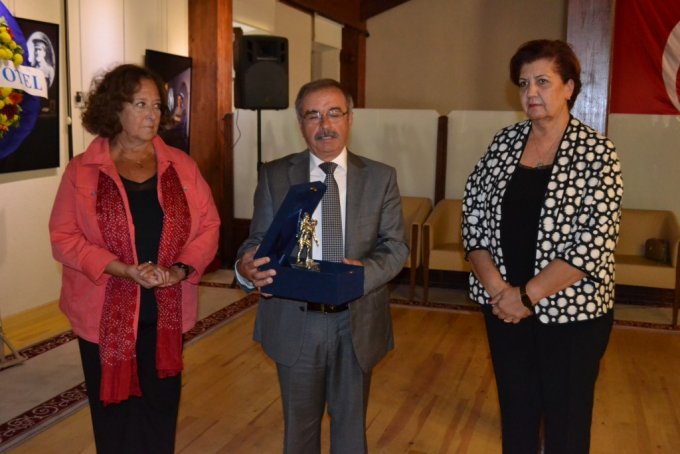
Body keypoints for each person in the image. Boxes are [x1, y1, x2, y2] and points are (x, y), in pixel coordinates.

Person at [462, 39, 623, 454]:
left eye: (542, 82)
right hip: (504, 310)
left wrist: (526, 296)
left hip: (571, 315)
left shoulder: (597, 153)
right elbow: (473, 217)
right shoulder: (503, 143)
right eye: (523, 83)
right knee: (516, 416)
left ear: (569, 87)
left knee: (566, 426)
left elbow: (592, 244)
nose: (531, 92)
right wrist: (500, 291)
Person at [49, 64, 220, 454]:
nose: (152, 114)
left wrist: (179, 270)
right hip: (102, 313)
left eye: (157, 105)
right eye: (141, 104)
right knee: (114, 415)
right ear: (115, 108)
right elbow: (63, 238)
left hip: (165, 310)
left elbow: (209, 226)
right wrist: (121, 269)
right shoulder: (81, 170)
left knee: (160, 409)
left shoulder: (182, 166)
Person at [236, 78, 408, 453]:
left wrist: (358, 275)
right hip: (295, 321)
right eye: (313, 115)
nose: (324, 125)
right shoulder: (275, 175)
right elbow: (257, 240)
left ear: (350, 118)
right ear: (300, 123)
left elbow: (396, 247)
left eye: (333, 113)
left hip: (356, 319)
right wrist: (246, 267)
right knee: (299, 432)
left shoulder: (380, 177)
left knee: (351, 431)